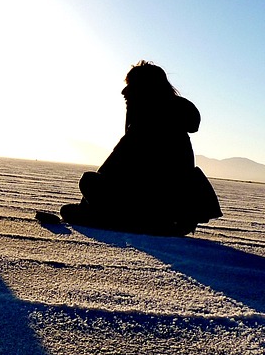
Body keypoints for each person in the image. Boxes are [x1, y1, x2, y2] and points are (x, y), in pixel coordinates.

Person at [46, 61, 221, 236]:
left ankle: (129, 222)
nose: (124, 92)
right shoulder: (169, 119)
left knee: (88, 182)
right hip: (168, 210)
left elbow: (114, 168)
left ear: (145, 89)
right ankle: (122, 219)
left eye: (131, 86)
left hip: (155, 208)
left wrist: (86, 206)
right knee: (88, 190)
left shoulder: (149, 124)